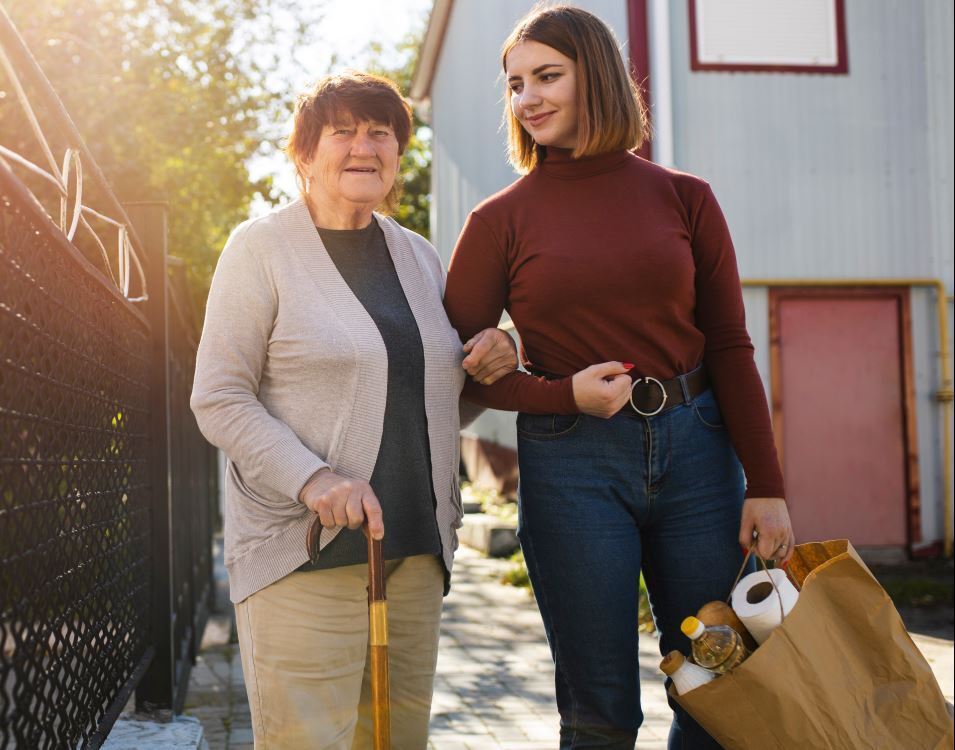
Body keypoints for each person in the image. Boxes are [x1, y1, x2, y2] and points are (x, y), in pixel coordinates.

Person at [443, 7, 795, 749]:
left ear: (595, 76)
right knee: (599, 705)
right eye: (514, 84)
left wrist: (765, 483)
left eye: (546, 77)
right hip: (571, 462)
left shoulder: (684, 197)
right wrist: (554, 392)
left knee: (717, 681)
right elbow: (458, 376)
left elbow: (730, 345)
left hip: (699, 453)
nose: (527, 99)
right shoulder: (497, 221)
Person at [190, 71, 516, 749]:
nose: (364, 145)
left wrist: (493, 353)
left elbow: (425, 400)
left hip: (415, 555)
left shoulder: (418, 256)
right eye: (342, 130)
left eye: (381, 132)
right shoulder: (260, 250)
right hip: (302, 555)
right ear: (304, 154)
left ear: (398, 153)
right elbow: (219, 396)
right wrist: (314, 478)